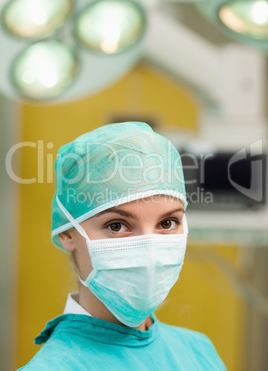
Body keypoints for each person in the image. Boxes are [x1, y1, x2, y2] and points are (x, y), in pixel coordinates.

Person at [18, 122, 226, 370]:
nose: (149, 247)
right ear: (67, 233)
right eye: (117, 226)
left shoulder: (199, 352)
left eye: (168, 222)